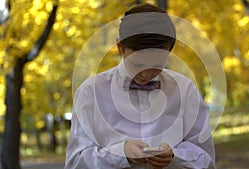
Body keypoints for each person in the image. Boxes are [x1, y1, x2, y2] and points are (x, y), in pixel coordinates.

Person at [65, 3, 215, 169]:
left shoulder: (185, 90)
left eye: (157, 65)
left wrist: (176, 156)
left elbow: (207, 159)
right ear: (120, 47)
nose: (146, 74)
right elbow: (75, 163)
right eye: (138, 64)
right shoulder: (90, 92)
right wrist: (119, 154)